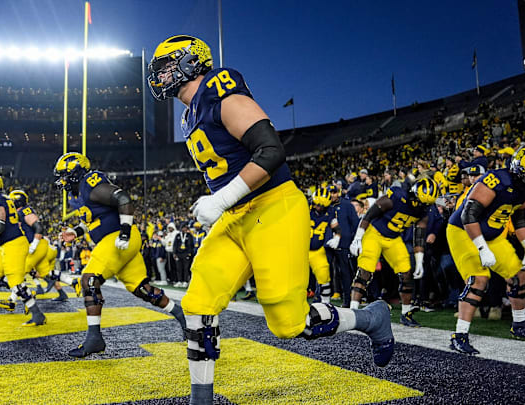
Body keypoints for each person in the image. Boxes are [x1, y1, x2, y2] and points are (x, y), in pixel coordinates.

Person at [147, 35, 393, 404]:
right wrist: (225, 203)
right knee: (197, 303)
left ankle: (372, 319)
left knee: (289, 324)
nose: (160, 74)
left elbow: (270, 149)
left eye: (167, 65)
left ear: (190, 62)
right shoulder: (188, 114)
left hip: (273, 206)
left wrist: (222, 198)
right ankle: (201, 399)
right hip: (237, 217)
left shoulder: (220, 91)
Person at [55, 152, 186, 358]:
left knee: (89, 280)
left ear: (74, 173)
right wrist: (76, 232)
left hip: (118, 238)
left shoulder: (90, 183)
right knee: (141, 289)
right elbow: (91, 220)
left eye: (63, 176)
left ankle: (94, 338)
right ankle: (182, 316)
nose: (61, 181)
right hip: (118, 240)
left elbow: (122, 197)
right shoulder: (77, 194)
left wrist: (124, 231)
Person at [447, 147, 525, 354]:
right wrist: (481, 248)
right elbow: (468, 215)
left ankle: (519, 326)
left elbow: (518, 217)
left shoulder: (524, 187)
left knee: (519, 276)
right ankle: (459, 336)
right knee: (478, 279)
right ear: (517, 169)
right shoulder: (497, 179)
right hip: (463, 231)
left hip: (493, 234)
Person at [349, 178, 439, 327]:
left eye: (425, 203)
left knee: (406, 273)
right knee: (365, 271)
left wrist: (419, 260)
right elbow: (369, 215)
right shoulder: (397, 197)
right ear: (413, 193)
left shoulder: (423, 210)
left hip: (393, 238)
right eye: (420, 201)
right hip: (375, 233)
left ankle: (405, 314)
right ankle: (353, 310)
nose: (421, 205)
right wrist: (358, 237)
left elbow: (419, 236)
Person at [0, 173, 46, 327]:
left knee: (15, 281)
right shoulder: (4, 198)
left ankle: (37, 315)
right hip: (7, 244)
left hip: (14, 244)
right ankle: (24, 291)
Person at [325, 185, 358, 307]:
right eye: (330, 192)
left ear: (338, 193)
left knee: (345, 273)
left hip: (344, 243)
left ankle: (347, 300)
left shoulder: (347, 205)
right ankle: (322, 299)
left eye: (334, 192)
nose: (333, 195)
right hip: (328, 243)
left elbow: (355, 224)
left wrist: (354, 241)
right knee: (324, 270)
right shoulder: (325, 206)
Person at [309, 188, 333, 304]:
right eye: (316, 204)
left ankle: (326, 303)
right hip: (301, 249)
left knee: (324, 277)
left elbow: (336, 227)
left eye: (321, 206)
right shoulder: (305, 210)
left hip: (318, 250)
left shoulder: (330, 214)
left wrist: (337, 236)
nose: (318, 207)